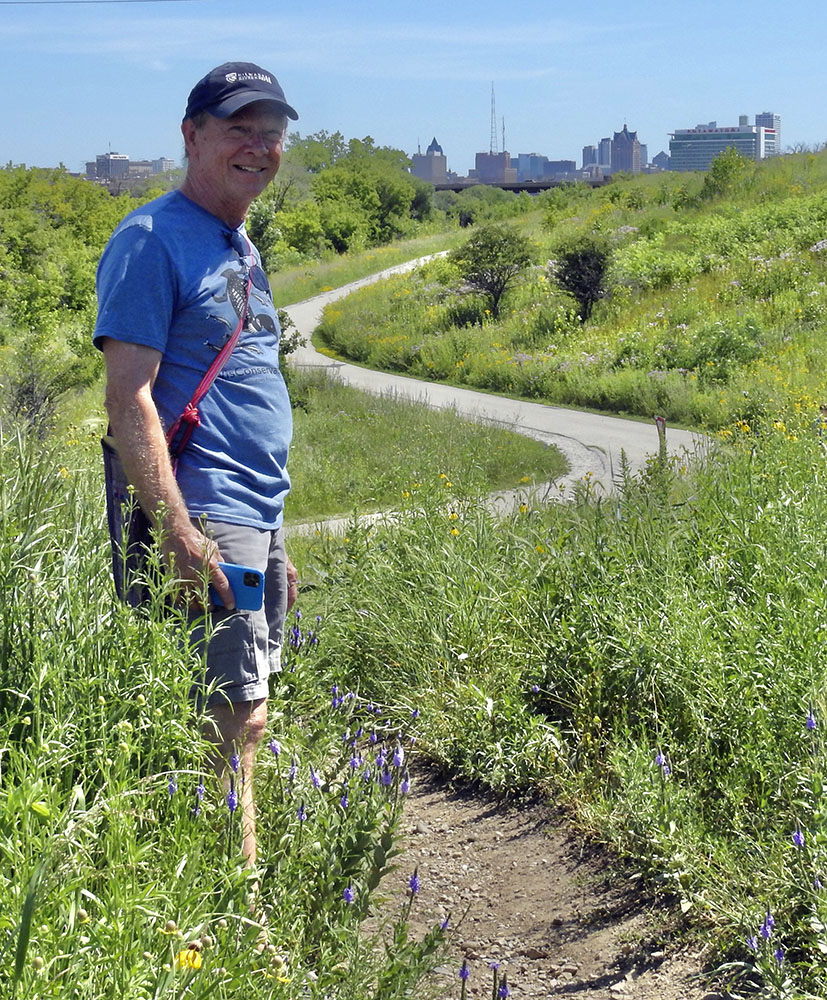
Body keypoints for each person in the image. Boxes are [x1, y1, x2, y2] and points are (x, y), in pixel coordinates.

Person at [94, 62, 300, 866]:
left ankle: (208, 878)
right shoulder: (150, 239)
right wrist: (182, 533)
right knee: (232, 711)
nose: (258, 146)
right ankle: (232, 911)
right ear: (191, 135)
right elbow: (129, 399)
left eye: (271, 132)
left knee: (244, 701)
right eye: (238, 128)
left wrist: (275, 535)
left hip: (250, 516)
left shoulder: (238, 243)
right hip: (205, 513)